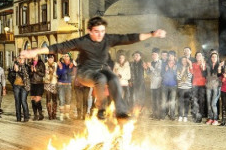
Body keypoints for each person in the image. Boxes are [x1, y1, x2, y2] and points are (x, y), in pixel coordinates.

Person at [21, 16, 166, 119]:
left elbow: (128, 38)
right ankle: (101, 108)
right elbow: (60, 47)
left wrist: (152, 34)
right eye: (96, 31)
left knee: (113, 77)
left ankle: (121, 112)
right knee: (101, 77)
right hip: (85, 73)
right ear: (90, 31)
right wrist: (35, 51)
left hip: (100, 70)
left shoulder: (107, 39)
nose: (100, 35)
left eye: (102, 31)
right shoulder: (83, 41)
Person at [10, 55, 32, 121]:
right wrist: (14, 71)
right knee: (17, 102)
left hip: (24, 86)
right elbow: (10, 76)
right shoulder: (14, 66)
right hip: (16, 85)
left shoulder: (27, 67)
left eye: (22, 59)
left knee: (23, 101)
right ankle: (18, 117)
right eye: (19, 59)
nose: (20, 60)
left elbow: (26, 76)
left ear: (24, 60)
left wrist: (18, 71)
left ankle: (26, 117)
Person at [144, 48, 163, 120]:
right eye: (152, 54)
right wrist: (146, 68)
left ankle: (159, 115)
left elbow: (158, 73)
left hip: (158, 84)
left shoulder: (160, 62)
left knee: (158, 100)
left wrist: (150, 67)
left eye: (155, 54)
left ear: (158, 55)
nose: (154, 56)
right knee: (153, 100)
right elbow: (149, 73)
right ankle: (154, 114)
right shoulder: (151, 63)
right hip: (152, 84)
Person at [205, 50, 221, 125]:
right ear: (210, 58)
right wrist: (203, 67)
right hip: (208, 86)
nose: (214, 58)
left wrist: (219, 70)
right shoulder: (208, 65)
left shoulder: (220, 65)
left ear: (217, 58)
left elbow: (220, 76)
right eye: (212, 57)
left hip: (216, 87)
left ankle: (215, 119)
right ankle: (210, 118)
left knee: (213, 103)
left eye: (215, 57)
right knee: (208, 103)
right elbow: (204, 74)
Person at [57, 53, 74, 121]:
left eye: (67, 56)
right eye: (65, 56)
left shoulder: (71, 65)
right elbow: (58, 74)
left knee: (68, 100)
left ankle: (67, 114)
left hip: (68, 84)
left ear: (69, 57)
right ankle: (61, 114)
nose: (66, 57)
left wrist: (70, 67)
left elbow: (71, 73)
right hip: (61, 85)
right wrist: (60, 68)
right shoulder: (61, 64)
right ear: (63, 57)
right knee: (61, 100)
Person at [161, 52, 178, 120]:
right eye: (169, 56)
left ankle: (172, 115)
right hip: (164, 85)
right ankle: (163, 115)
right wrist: (165, 70)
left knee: (172, 101)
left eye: (172, 56)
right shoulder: (164, 64)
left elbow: (177, 76)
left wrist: (173, 70)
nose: (170, 57)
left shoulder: (177, 65)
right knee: (164, 101)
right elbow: (161, 74)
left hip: (173, 85)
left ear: (174, 57)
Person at [29, 53, 45, 120]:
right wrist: (32, 72)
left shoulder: (41, 64)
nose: (34, 57)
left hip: (39, 83)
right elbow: (29, 75)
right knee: (33, 100)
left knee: (37, 100)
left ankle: (40, 114)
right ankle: (35, 114)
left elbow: (43, 74)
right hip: (32, 84)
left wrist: (36, 71)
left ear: (38, 56)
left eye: (35, 56)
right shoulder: (31, 64)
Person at [177, 56, 193, 122]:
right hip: (180, 88)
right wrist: (183, 71)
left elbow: (190, 77)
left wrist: (187, 70)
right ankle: (180, 115)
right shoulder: (179, 68)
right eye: (183, 60)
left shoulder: (189, 68)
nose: (184, 62)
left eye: (185, 60)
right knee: (180, 103)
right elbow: (178, 78)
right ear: (181, 61)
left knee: (187, 103)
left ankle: (185, 116)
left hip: (188, 88)